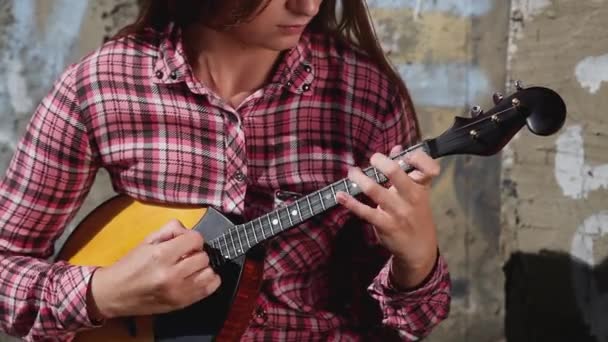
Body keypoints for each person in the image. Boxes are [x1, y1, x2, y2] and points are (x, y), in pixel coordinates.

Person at [0, 0, 451, 340]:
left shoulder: (364, 96)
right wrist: (103, 293)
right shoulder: (101, 85)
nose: (307, 5)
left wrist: (416, 260)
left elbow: (410, 322)